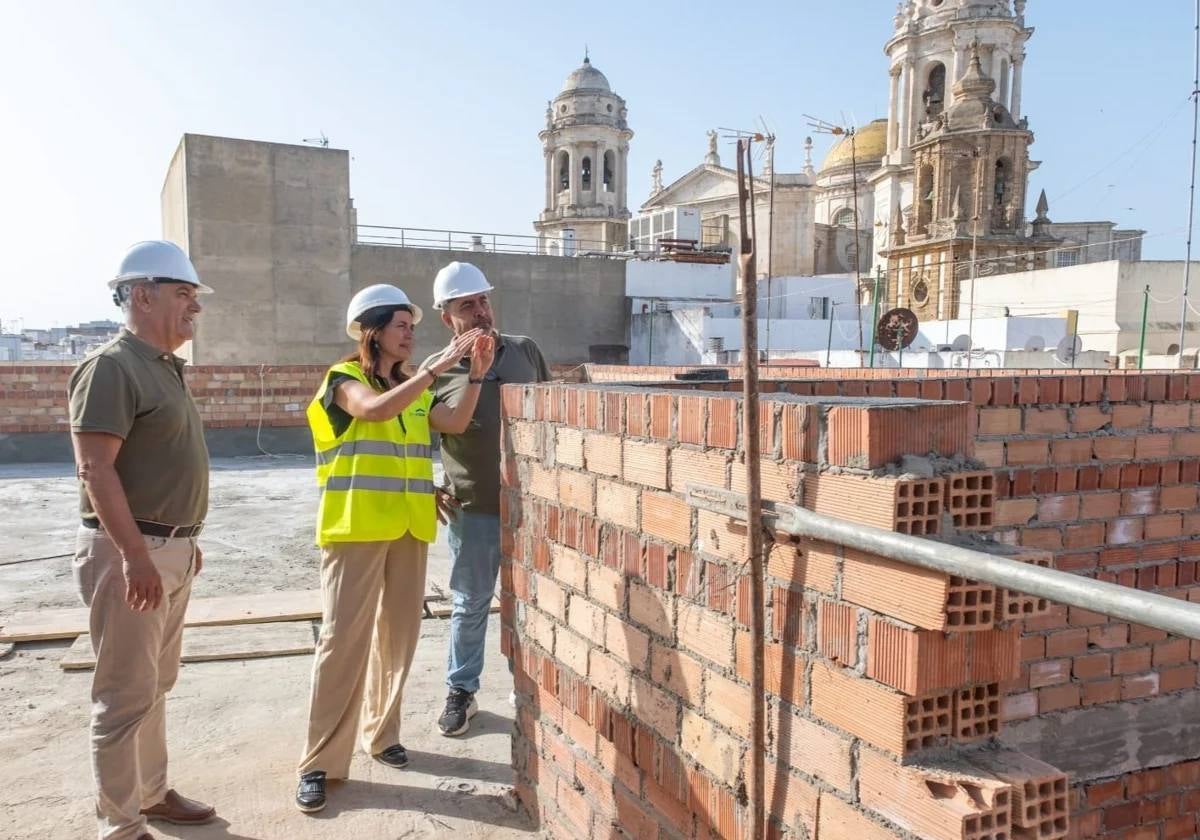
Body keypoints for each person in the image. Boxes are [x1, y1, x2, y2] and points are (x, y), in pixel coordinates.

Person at [295, 283, 495, 813]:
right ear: (372, 331)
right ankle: (319, 762)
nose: (412, 334)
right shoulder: (345, 380)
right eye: (402, 326)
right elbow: (376, 413)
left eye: (412, 326)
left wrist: (473, 372)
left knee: (398, 639)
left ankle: (380, 736)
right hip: (355, 529)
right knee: (343, 644)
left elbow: (450, 422)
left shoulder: (410, 383)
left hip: (408, 529)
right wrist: (439, 365)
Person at [68, 240, 216, 840]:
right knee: (125, 695)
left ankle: (150, 796)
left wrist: (184, 542)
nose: (194, 309)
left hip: (169, 549)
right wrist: (136, 556)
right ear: (141, 295)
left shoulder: (162, 366)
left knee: (156, 684)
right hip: (132, 552)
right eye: (183, 295)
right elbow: (95, 470)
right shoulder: (111, 366)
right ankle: (121, 826)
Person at [424, 262, 551, 737]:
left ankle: (543, 688)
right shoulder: (437, 373)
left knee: (539, 600)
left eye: (483, 301)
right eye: (466, 306)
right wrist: (425, 485)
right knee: (470, 601)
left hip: (532, 505)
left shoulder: (524, 352)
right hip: (473, 506)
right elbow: (416, 433)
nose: (480, 312)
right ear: (447, 317)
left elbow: (553, 414)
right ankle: (461, 692)